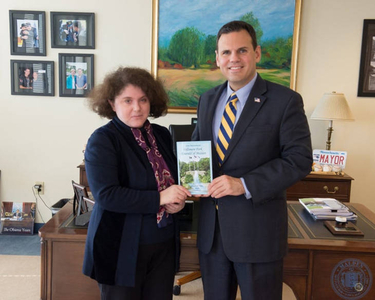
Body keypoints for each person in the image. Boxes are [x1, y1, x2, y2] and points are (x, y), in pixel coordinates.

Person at [192, 20, 312, 300]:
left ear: (256, 53)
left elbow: (299, 159)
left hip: (258, 233)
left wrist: (244, 184)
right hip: (212, 233)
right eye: (226, 52)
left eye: (242, 51)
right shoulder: (207, 99)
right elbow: (199, 149)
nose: (233, 59)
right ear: (217, 58)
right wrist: (190, 181)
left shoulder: (285, 101)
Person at [82, 67, 191, 300]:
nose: (137, 107)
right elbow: (107, 195)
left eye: (143, 99)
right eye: (127, 100)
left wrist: (178, 202)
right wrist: (160, 199)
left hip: (163, 243)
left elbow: (171, 182)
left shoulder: (161, 134)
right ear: (112, 104)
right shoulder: (103, 140)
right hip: (121, 247)